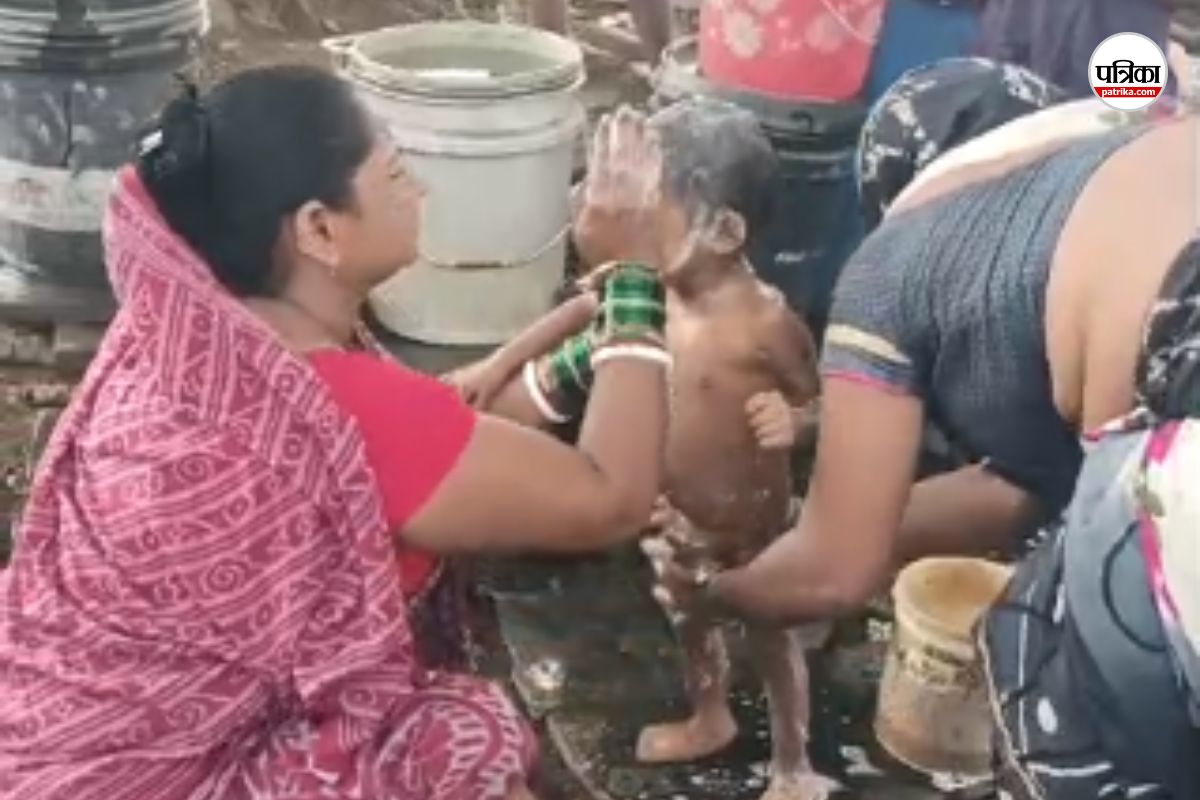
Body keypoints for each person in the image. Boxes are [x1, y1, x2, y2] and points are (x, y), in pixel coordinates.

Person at [0, 67, 673, 800]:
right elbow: (611, 499)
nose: (421, 191)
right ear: (320, 229)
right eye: (396, 174)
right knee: (463, 743)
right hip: (155, 780)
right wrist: (633, 275)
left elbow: (440, 447)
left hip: (43, 730)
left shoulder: (183, 344)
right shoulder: (351, 411)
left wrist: (573, 359)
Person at [650, 64, 1200, 796]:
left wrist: (710, 594)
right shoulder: (1131, 129)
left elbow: (831, 572)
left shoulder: (893, 268)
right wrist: (834, 520)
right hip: (1171, 351)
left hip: (1184, 350)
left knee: (1053, 668)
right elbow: (1024, 488)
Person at [448, 98, 836, 800]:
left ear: (723, 230)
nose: (626, 227)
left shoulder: (763, 322)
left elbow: (824, 399)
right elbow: (583, 309)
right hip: (675, 518)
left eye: (646, 211)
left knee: (769, 632)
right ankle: (711, 714)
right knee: (688, 616)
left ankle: (793, 761)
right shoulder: (650, 281)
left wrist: (797, 419)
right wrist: (498, 363)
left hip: (748, 526)